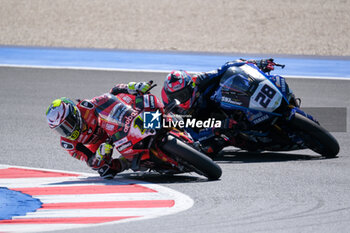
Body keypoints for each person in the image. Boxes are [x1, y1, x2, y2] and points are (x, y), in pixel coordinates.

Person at [161, 58, 278, 156]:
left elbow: (226, 67)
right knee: (208, 148)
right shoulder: (174, 110)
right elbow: (190, 134)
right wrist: (216, 128)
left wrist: (256, 63)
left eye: (182, 95)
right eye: (175, 97)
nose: (179, 100)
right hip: (209, 126)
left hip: (221, 106)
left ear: (191, 87)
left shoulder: (200, 79)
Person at [46, 82, 151, 179]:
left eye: (67, 124)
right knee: (105, 171)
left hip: (114, 126)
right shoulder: (69, 144)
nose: (66, 130)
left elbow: (112, 93)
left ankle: (159, 117)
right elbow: (89, 160)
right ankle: (128, 161)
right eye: (61, 129)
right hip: (102, 146)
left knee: (130, 98)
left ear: (74, 113)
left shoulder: (86, 107)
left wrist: (132, 87)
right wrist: (98, 156)